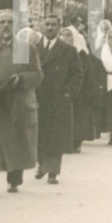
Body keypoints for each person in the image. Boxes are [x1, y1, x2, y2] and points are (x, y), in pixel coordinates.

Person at [0, 10, 43, 195]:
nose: (6, 25)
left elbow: (38, 75)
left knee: (17, 139)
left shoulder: (26, 48)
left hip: (19, 102)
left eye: (10, 22)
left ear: (16, 25)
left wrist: (21, 79)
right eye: (2, 22)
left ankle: (14, 179)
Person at [35, 16, 82, 184]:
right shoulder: (34, 48)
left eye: (53, 25)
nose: (49, 28)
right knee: (40, 134)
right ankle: (42, 164)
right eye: (47, 24)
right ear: (42, 26)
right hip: (39, 98)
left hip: (58, 99)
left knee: (55, 136)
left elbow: (77, 74)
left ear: (59, 27)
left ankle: (53, 170)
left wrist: (69, 93)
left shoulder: (68, 50)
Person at [65, 25, 99, 148]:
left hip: (81, 91)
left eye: (68, 35)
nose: (65, 38)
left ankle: (77, 142)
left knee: (79, 117)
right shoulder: (63, 52)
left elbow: (86, 74)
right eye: (63, 35)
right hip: (67, 89)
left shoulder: (81, 53)